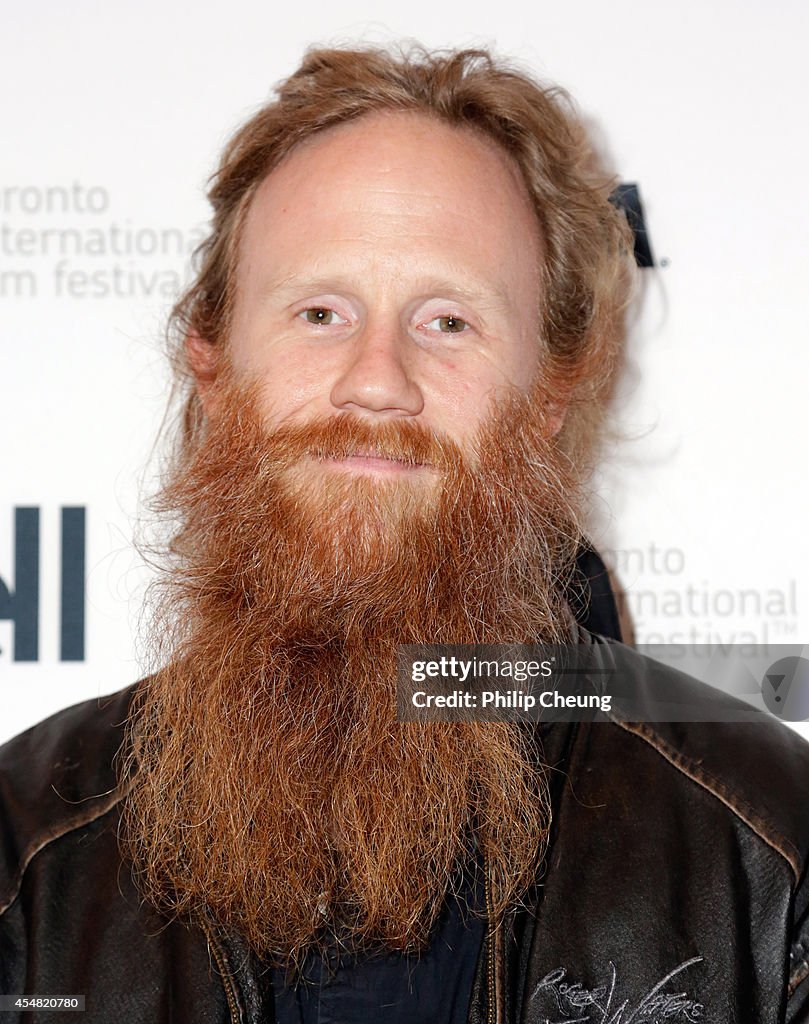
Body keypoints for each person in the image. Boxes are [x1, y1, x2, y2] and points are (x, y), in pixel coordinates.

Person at [1, 43, 808, 1024]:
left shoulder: (770, 852)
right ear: (210, 367)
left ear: (548, 394)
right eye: (319, 311)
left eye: (447, 322)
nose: (375, 379)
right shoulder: (24, 850)